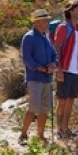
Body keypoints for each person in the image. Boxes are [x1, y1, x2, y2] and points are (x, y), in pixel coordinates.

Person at [19, 8, 59, 144]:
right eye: (45, 20)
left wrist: (53, 64)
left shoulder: (46, 38)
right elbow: (27, 59)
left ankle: (40, 135)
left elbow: (54, 54)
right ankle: (23, 134)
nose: (48, 22)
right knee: (33, 107)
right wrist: (41, 68)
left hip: (47, 79)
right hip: (34, 78)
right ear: (37, 22)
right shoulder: (29, 37)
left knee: (44, 108)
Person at [52, 0, 78, 140]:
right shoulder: (63, 27)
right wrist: (58, 68)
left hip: (75, 70)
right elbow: (57, 48)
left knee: (71, 100)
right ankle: (59, 129)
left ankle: (66, 128)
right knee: (62, 100)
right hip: (64, 69)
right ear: (71, 11)